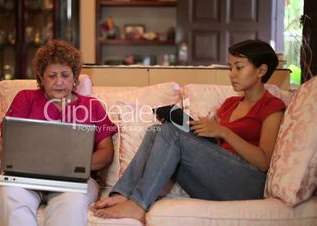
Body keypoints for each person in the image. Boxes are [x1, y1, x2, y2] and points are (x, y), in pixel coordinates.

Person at [91, 39, 286, 223]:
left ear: (261, 70)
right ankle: (121, 194)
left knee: (170, 133)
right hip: (216, 179)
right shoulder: (230, 104)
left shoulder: (272, 106)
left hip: (245, 184)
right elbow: (214, 147)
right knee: (157, 131)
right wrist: (198, 128)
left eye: (239, 67)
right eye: (230, 67)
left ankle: (139, 204)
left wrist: (223, 132)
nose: (232, 73)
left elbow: (263, 161)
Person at [0, 39, 117, 226]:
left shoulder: (92, 106)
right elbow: (11, 140)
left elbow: (106, 152)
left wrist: (77, 164)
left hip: (75, 181)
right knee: (9, 193)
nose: (59, 82)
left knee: (72, 202)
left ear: (75, 77)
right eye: (52, 75)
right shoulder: (25, 99)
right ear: (40, 78)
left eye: (65, 75)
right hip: (26, 178)